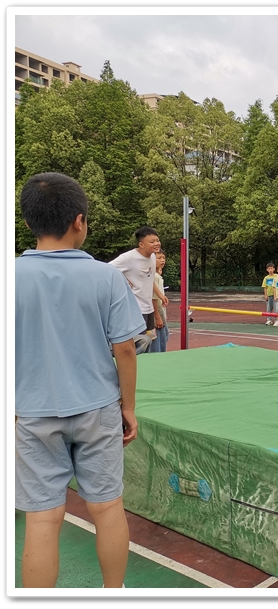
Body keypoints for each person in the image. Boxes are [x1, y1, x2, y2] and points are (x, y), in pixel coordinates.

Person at [15, 172, 144, 587]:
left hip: (32, 413)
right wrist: (128, 407)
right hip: (97, 409)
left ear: (29, 221)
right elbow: (125, 349)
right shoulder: (106, 276)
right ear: (79, 221)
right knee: (107, 508)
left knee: (42, 517)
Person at [108, 226, 168, 353]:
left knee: (148, 343)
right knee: (136, 345)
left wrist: (160, 295)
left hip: (148, 308)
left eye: (157, 240)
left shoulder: (152, 257)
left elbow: (149, 278)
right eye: (152, 241)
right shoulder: (129, 258)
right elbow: (107, 269)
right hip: (135, 309)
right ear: (141, 244)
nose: (156, 244)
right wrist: (123, 279)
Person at [151, 251, 169, 352]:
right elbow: (152, 298)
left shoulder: (157, 276)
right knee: (158, 342)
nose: (162, 260)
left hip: (160, 312)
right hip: (156, 313)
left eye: (163, 258)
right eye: (159, 258)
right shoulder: (154, 276)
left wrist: (163, 315)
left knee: (164, 337)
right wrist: (157, 317)